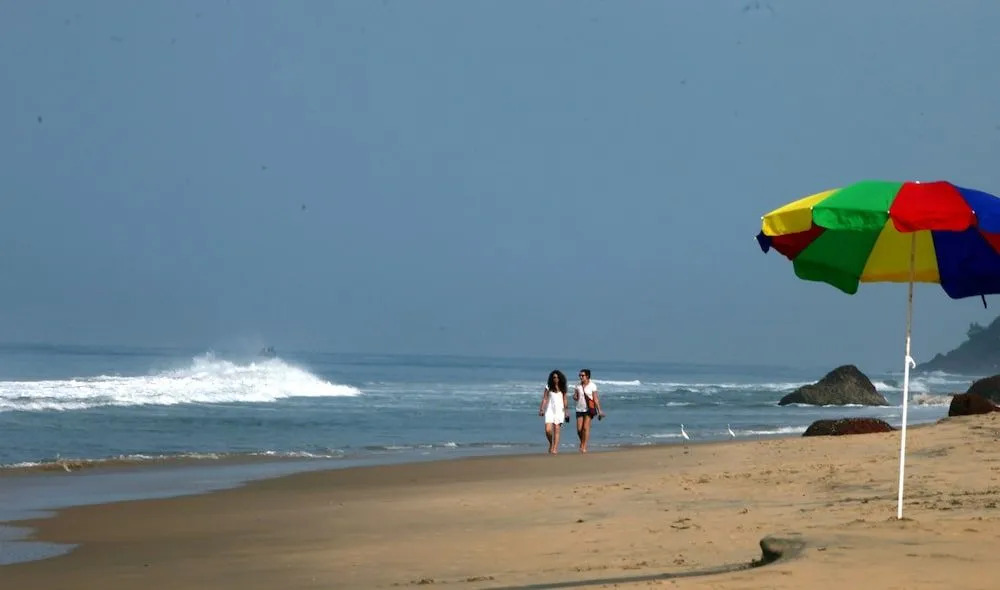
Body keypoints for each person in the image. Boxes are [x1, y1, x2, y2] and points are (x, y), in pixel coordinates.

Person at [573, 368, 604, 453]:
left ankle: (584, 446)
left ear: (587, 376)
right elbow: (575, 396)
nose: (580, 377)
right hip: (579, 409)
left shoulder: (592, 386)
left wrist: (599, 410)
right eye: (580, 375)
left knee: (585, 428)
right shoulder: (577, 385)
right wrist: (575, 397)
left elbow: (595, 399)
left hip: (589, 409)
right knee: (579, 430)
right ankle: (582, 442)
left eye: (582, 375)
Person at [538, 370, 569, 454]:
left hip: (560, 410)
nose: (556, 379)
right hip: (549, 410)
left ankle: (555, 448)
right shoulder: (548, 386)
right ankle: (551, 443)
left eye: (557, 377)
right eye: (554, 377)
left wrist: (566, 411)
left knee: (557, 429)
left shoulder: (563, 387)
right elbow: (545, 398)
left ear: (560, 378)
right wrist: (542, 409)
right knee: (548, 430)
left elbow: (565, 399)